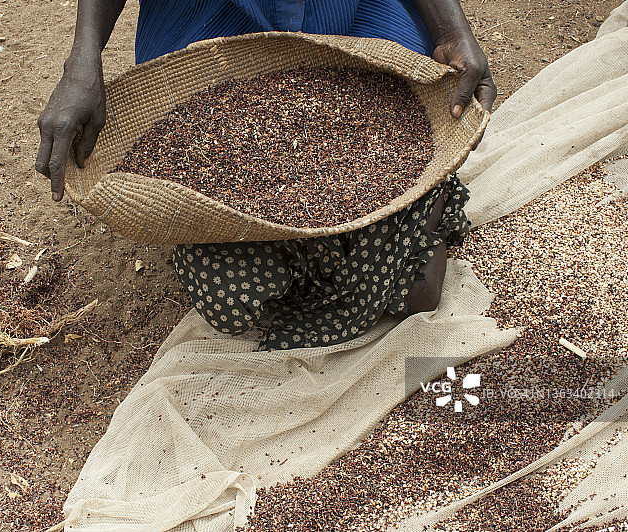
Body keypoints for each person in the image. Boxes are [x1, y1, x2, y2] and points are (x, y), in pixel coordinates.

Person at [36, 0, 496, 350]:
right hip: (214, 17)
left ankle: (394, 224)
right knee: (224, 286)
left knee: (395, 146)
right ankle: (329, 250)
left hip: (348, 17)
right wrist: (83, 57)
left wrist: (452, 29)